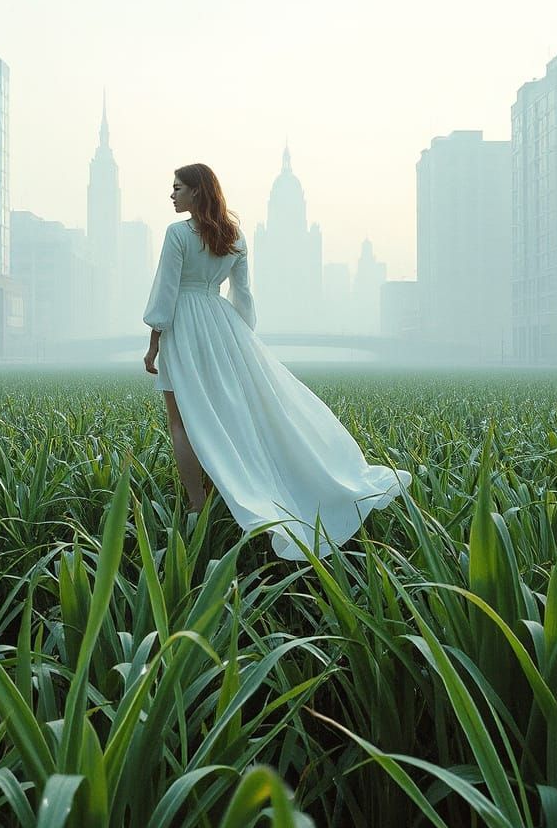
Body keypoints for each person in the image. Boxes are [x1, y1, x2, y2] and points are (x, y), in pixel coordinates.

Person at [143, 163, 412, 561]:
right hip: (223, 325)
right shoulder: (233, 235)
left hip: (185, 326)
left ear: (197, 192)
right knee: (224, 414)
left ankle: (197, 505)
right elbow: (244, 296)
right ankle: (228, 488)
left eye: (178, 187)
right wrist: (239, 338)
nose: (172, 194)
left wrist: (153, 344)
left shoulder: (177, 234)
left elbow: (166, 291)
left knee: (181, 420)